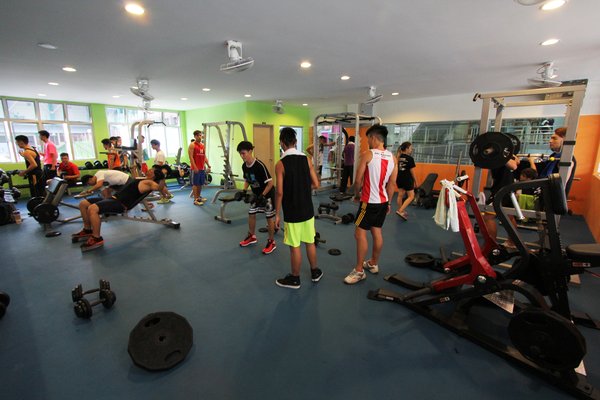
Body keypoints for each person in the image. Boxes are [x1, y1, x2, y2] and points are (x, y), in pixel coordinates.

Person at [344, 124, 397, 285]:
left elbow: (358, 180)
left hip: (368, 202)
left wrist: (356, 195)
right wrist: (388, 202)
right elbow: (392, 184)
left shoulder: (368, 154)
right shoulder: (393, 157)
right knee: (376, 231)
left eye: (368, 139)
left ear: (374, 137)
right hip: (382, 202)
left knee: (359, 234)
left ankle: (359, 271)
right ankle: (373, 263)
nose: (367, 142)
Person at [71, 167, 166, 252]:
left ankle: (96, 238)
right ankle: (87, 230)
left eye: (152, 171)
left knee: (92, 208)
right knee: (83, 204)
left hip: (120, 203)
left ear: (154, 176)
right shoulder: (142, 179)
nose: (149, 170)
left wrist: (162, 178)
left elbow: (159, 188)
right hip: (113, 198)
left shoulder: (150, 183)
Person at [274, 127, 322, 289]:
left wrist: (277, 214)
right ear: (295, 142)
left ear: (282, 143)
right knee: (310, 241)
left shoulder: (280, 164)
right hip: (307, 209)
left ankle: (295, 279)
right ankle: (315, 272)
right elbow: (316, 184)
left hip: (292, 212)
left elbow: (279, 192)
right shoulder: (307, 160)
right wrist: (302, 189)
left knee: (295, 246)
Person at [237, 141, 277, 255]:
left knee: (269, 217)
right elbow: (247, 180)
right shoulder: (244, 166)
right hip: (256, 195)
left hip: (267, 195)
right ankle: (252, 236)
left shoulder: (259, 166)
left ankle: (271, 242)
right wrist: (244, 191)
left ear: (250, 151)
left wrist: (263, 196)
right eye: (240, 154)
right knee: (251, 213)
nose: (242, 156)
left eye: (244, 153)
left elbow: (270, 183)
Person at [482, 156, 519, 248]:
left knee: (488, 217)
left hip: (501, 190)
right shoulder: (508, 154)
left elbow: (514, 166)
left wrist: (500, 155)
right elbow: (517, 161)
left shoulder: (502, 154)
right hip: (508, 188)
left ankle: (491, 246)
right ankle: (512, 242)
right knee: (509, 216)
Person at [529, 127, 577, 196]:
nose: (550, 141)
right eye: (551, 138)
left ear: (565, 140)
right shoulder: (554, 155)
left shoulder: (568, 159)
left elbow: (560, 184)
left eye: (554, 138)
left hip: (552, 197)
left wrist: (531, 161)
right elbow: (539, 170)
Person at [395, 141, 417, 221]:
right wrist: (416, 182)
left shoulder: (398, 157)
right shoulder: (410, 159)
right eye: (410, 148)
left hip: (399, 178)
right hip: (407, 179)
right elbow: (412, 172)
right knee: (411, 196)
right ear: (407, 149)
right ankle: (400, 210)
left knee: (400, 195)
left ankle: (400, 210)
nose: (411, 150)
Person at [188, 130, 211, 206]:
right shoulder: (192, 145)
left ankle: (198, 197)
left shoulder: (202, 145)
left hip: (202, 168)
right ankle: (195, 200)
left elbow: (204, 156)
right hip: (195, 168)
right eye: (198, 135)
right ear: (195, 136)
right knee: (195, 184)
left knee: (200, 184)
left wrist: (208, 165)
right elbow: (191, 157)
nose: (200, 137)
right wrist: (194, 167)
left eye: (200, 135)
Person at [150, 139, 173, 204]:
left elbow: (160, 164)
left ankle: (165, 197)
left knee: (159, 187)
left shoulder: (160, 154)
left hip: (160, 172)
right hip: (159, 171)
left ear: (157, 145)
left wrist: (154, 171)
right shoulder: (158, 153)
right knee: (160, 186)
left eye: (153, 145)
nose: (152, 146)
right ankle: (168, 195)